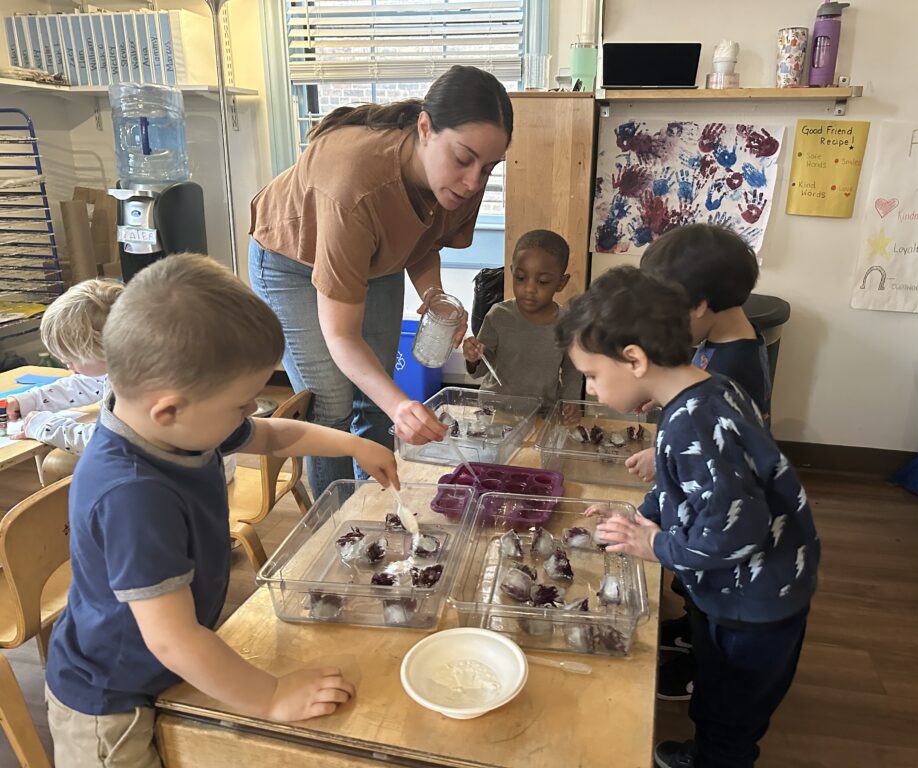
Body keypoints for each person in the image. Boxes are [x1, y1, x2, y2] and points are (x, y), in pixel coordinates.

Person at [45, 254, 400, 768]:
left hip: (165, 665)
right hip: (111, 703)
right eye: (241, 404)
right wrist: (271, 696)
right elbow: (173, 640)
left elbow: (274, 434)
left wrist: (353, 444)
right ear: (169, 409)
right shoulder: (133, 495)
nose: (250, 412)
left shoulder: (177, 427)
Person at [556, 266, 819, 768]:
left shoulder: (689, 423)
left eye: (592, 375)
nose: (590, 391)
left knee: (729, 713)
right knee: (718, 692)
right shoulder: (708, 389)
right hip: (753, 588)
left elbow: (736, 529)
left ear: (634, 359)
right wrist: (638, 515)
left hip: (753, 603)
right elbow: (685, 488)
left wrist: (655, 545)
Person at [248, 64, 513, 497]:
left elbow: (424, 238)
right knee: (331, 406)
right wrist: (401, 405)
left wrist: (433, 294)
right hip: (292, 259)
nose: (473, 183)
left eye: (488, 168)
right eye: (464, 160)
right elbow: (342, 336)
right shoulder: (355, 186)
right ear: (424, 128)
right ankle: (337, 520)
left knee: (376, 401)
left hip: (374, 256)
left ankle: (377, 509)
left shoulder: (465, 174)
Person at [626, 224, 773, 671]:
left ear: (699, 305)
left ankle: (700, 662)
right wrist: (665, 396)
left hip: (723, 520)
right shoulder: (722, 341)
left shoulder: (735, 365)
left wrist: (663, 457)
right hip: (704, 506)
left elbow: (721, 447)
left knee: (710, 589)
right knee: (694, 590)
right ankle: (691, 628)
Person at [7, 279, 123, 483]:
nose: (67, 366)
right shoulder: (123, 365)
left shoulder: (134, 389)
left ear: (104, 349)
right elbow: (86, 384)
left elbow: (105, 441)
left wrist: (45, 426)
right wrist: (28, 401)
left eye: (71, 359)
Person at [462, 229, 583, 405]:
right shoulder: (499, 316)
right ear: (512, 272)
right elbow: (479, 370)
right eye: (520, 278)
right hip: (495, 409)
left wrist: (571, 404)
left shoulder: (568, 325)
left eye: (542, 281)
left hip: (542, 411)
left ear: (561, 283)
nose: (529, 289)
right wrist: (472, 358)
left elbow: (572, 373)